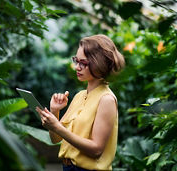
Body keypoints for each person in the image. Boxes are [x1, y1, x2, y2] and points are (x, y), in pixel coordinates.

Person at [36, 34, 125, 171]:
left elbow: (96, 150)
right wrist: (55, 112)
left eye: (83, 63)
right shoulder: (80, 96)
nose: (77, 67)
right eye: (76, 61)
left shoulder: (106, 99)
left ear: (99, 63)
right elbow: (56, 138)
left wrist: (57, 127)